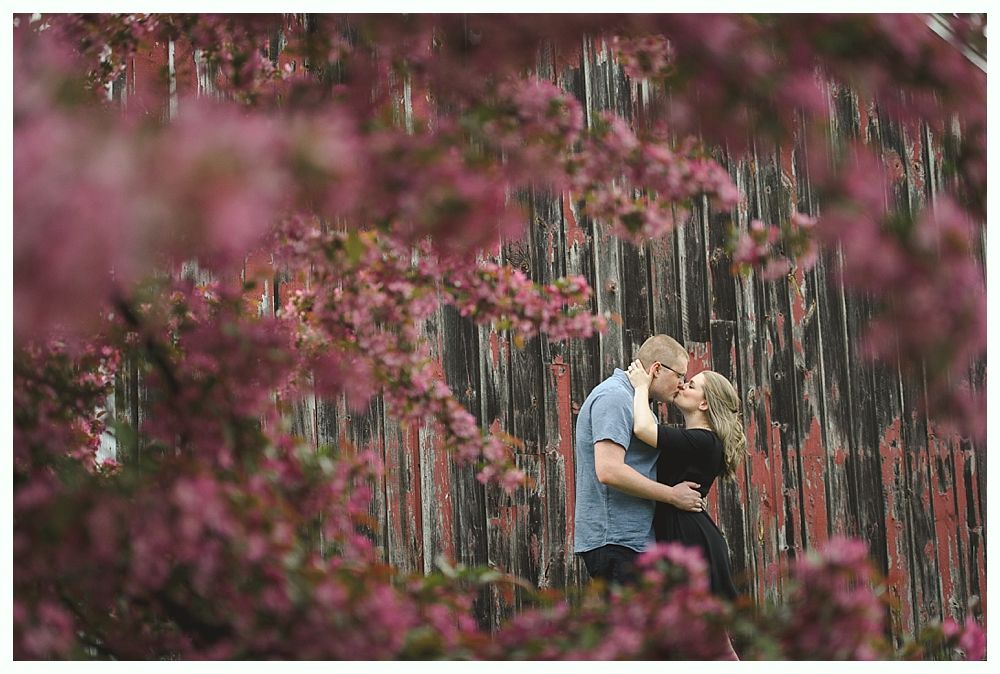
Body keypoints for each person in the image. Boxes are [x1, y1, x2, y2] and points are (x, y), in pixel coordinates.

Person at [627, 359, 746, 659]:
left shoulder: (702, 441)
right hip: (688, 533)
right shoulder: (697, 440)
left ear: (704, 403)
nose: (682, 385)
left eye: (691, 385)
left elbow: (642, 427)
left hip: (689, 538)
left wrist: (641, 386)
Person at [573, 335, 704, 587]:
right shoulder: (615, 398)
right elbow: (609, 470)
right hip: (616, 541)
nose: (681, 384)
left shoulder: (634, 400)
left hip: (631, 542)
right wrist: (672, 495)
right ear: (656, 369)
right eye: (679, 375)